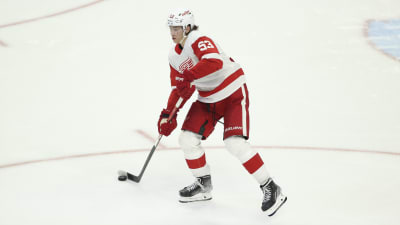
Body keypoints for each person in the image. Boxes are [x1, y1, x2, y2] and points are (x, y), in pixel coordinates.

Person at [157, 9, 287, 216]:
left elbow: (213, 62)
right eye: (171, 28)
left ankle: (270, 186)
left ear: (187, 28)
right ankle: (203, 185)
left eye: (177, 28)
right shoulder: (173, 56)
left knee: (234, 143)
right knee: (187, 139)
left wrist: (189, 76)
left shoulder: (199, 39)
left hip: (232, 91)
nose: (173, 32)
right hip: (207, 98)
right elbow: (180, 88)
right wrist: (168, 114)